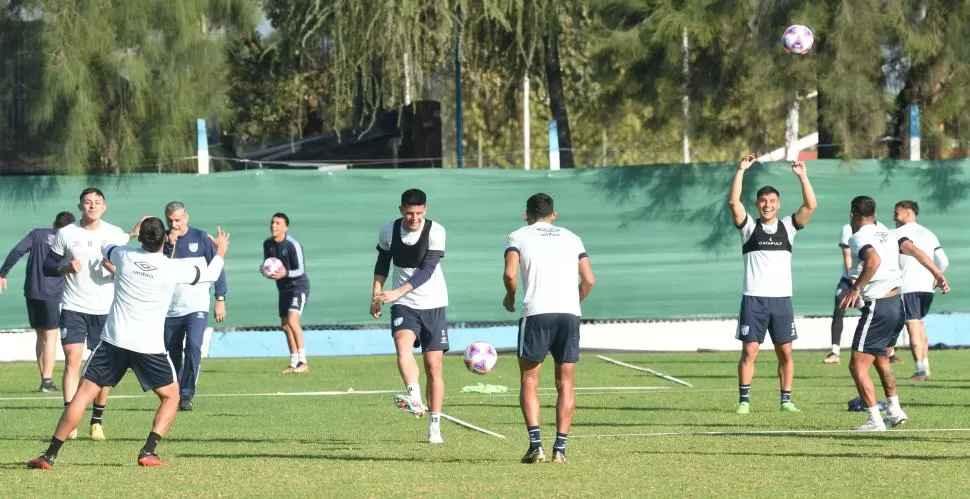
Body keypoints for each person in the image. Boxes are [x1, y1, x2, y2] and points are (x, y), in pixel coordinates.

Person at [26, 218, 230, 469]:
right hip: (149, 346)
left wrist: (130, 234)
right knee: (171, 397)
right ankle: (148, 451)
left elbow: (104, 246)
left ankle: (49, 455)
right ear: (165, 239)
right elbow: (210, 273)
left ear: (142, 238)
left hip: (114, 341)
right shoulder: (172, 268)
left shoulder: (124, 255)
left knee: (82, 395)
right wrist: (220, 250)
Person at [839, 195, 948, 431]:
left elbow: (873, 260)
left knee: (857, 366)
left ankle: (874, 420)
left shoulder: (857, 237)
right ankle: (895, 411)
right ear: (875, 214)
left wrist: (856, 287)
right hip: (897, 304)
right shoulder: (889, 233)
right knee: (881, 360)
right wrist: (937, 273)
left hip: (878, 306)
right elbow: (913, 249)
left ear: (852, 216)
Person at [503, 193, 595, 464]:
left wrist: (509, 297)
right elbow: (589, 279)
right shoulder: (572, 237)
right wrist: (571, 303)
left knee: (529, 380)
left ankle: (535, 446)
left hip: (536, 314)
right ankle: (560, 450)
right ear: (553, 214)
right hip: (569, 315)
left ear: (526, 214)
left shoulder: (517, 236)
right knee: (565, 383)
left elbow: (510, 274)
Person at [42, 188, 136, 441]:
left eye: (97, 203)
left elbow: (129, 268)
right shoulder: (66, 233)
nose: (92, 206)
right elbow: (48, 266)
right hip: (73, 307)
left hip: (105, 310)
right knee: (73, 360)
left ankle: (96, 420)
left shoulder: (115, 234)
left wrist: (116, 270)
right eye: (87, 202)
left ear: (104, 207)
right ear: (80, 206)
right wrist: (65, 268)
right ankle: (69, 420)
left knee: (102, 368)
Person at [728, 154, 817, 414]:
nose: (767, 205)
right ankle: (744, 401)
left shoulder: (788, 227)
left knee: (785, 352)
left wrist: (802, 176)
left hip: (781, 301)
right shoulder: (748, 228)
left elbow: (811, 205)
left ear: (778, 205)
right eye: (763, 201)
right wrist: (741, 169)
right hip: (753, 299)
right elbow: (734, 201)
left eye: (772, 201)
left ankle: (786, 400)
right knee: (750, 350)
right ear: (757, 204)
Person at [371, 189, 450, 444]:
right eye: (409, 213)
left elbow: (427, 270)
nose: (414, 218)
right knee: (401, 344)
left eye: (418, 213)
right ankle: (414, 397)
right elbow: (382, 263)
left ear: (425, 210)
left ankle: (434, 425)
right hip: (403, 304)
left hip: (433, 304)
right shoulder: (388, 230)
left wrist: (397, 291)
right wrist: (377, 294)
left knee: (433, 366)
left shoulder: (436, 231)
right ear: (401, 210)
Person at [162, 201, 228, 411]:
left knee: (193, 347)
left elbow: (217, 268)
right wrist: (168, 245)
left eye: (178, 220)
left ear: (186, 218)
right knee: (171, 354)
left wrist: (220, 299)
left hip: (196, 307)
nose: (174, 225)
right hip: (169, 308)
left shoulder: (201, 238)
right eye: (170, 220)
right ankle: (174, 392)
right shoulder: (160, 241)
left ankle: (187, 395)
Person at [0, 211, 76, 392]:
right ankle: (47, 382)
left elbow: (17, 251)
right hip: (53, 294)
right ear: (71, 227)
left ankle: (44, 378)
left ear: (53, 222)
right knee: (51, 337)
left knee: (40, 336)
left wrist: (2, 273)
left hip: (32, 292)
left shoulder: (37, 234)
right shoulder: (70, 239)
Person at [892, 200, 949, 381]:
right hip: (927, 287)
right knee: (920, 324)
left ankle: (920, 371)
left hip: (909, 285)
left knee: (912, 326)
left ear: (907, 213)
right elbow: (944, 261)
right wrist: (935, 276)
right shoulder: (928, 233)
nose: (894, 216)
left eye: (897, 212)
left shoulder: (897, 233)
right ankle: (926, 367)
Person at [263, 212, 310, 374]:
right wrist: (266, 271)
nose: (273, 226)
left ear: (285, 227)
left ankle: (304, 362)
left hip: (298, 286)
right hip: (282, 289)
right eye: (272, 222)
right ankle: (294, 362)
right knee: (285, 326)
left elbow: (301, 269)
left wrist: (285, 274)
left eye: (277, 223)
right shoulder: (268, 244)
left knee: (292, 319)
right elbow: (268, 264)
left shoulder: (292, 245)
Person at [824, 223, 857, 364]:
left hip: (870, 280)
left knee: (876, 312)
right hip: (850, 280)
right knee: (839, 311)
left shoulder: (879, 228)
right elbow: (847, 254)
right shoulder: (848, 228)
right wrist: (854, 280)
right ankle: (835, 352)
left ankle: (889, 353)